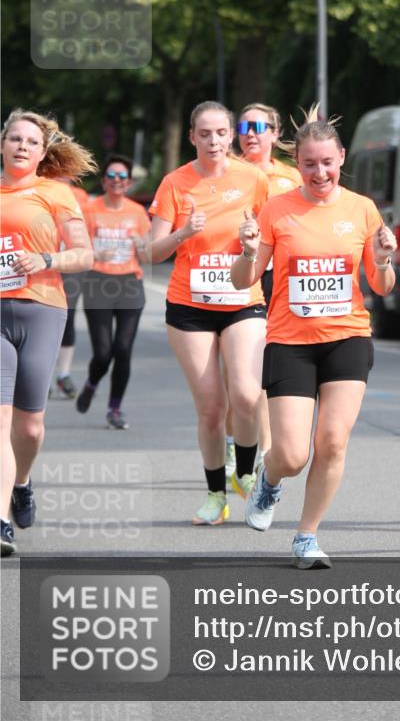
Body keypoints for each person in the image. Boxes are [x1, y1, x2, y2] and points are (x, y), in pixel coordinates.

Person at [231, 107, 397, 569]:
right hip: (290, 341)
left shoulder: (361, 209)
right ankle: (269, 480)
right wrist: (246, 251)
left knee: (333, 442)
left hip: (348, 337)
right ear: (298, 164)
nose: (320, 172)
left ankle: (306, 536)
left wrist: (383, 261)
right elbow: (242, 278)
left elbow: (382, 286)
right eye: (309, 164)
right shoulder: (276, 210)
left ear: (341, 158)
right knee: (291, 453)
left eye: (327, 162)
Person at [149, 101, 269, 526]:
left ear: (231, 135)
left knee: (248, 393)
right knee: (211, 408)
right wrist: (184, 232)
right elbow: (151, 251)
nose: (214, 141)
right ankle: (215, 494)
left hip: (242, 300)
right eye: (205, 134)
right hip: (190, 308)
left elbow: (274, 234)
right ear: (192, 137)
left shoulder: (254, 179)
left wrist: (255, 243)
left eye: (221, 133)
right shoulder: (175, 183)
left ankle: (247, 472)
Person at [1, 109, 95, 557]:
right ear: (2, 145)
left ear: (42, 153)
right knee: (0, 422)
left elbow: (84, 254)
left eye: (30, 142)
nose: (21, 146)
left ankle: (22, 481)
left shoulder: (55, 193)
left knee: (30, 428)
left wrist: (47, 261)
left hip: (42, 308)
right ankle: (1, 521)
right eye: (14, 138)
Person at [229, 103, 302, 470]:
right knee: (241, 373)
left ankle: (263, 449)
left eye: (259, 125)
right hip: (240, 273)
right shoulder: (228, 172)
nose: (251, 132)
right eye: (244, 125)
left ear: (275, 133)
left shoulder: (292, 177)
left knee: (266, 361)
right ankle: (237, 441)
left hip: (283, 275)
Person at [75, 154, 150, 429]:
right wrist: (95, 252)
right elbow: (75, 246)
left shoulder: (137, 212)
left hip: (130, 283)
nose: (117, 181)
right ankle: (91, 383)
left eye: (122, 177)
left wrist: (141, 244)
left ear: (129, 183)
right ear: (104, 180)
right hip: (98, 283)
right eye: (112, 176)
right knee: (104, 353)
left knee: (123, 350)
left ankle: (114, 408)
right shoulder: (91, 209)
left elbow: (148, 255)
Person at [51, 180, 91, 399]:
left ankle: (63, 374)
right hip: (42, 260)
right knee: (43, 314)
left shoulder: (79, 195)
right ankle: (43, 376)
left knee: (66, 314)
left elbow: (88, 227)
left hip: (71, 263)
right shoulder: (39, 187)